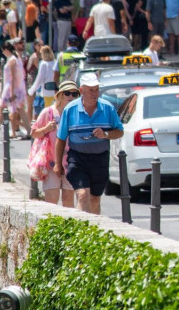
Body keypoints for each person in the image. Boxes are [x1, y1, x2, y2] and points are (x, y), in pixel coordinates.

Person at [52, 72, 124, 214]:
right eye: (91, 90)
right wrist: (58, 163)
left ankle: (94, 231)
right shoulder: (70, 110)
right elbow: (61, 138)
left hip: (99, 158)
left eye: (96, 89)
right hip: (77, 158)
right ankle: (82, 230)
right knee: (82, 194)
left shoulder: (107, 108)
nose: (94, 93)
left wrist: (106, 134)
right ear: (81, 90)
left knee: (95, 199)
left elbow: (120, 131)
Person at [28, 79, 77, 207]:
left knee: (68, 200)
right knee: (51, 201)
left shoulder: (77, 114)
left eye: (74, 94)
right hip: (51, 162)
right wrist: (46, 129)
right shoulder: (48, 112)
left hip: (71, 162)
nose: (71, 96)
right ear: (60, 95)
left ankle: (68, 227)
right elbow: (33, 133)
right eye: (67, 93)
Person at [0, 40, 29, 139]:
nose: (2, 53)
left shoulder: (12, 60)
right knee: (20, 111)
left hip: (12, 88)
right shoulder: (17, 57)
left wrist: (12, 93)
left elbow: (12, 77)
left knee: (2, 108)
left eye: (3, 50)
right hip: (18, 88)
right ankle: (26, 130)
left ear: (6, 50)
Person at [28, 45, 58, 111]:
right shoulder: (55, 62)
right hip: (56, 90)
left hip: (47, 90)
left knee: (49, 110)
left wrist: (32, 90)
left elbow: (39, 79)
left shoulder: (43, 64)